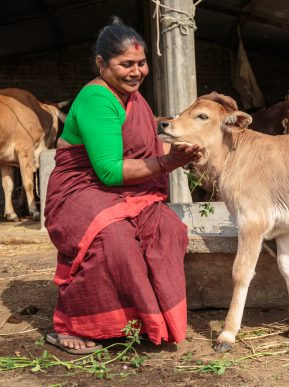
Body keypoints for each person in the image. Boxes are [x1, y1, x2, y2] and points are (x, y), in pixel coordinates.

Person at [44, 18, 202, 354]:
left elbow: (144, 140)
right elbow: (109, 171)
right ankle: (73, 324)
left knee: (167, 228)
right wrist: (168, 162)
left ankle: (143, 320)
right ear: (101, 64)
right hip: (80, 191)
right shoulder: (97, 100)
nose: (136, 72)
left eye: (141, 63)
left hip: (124, 192)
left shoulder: (134, 99)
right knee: (113, 238)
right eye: (126, 64)